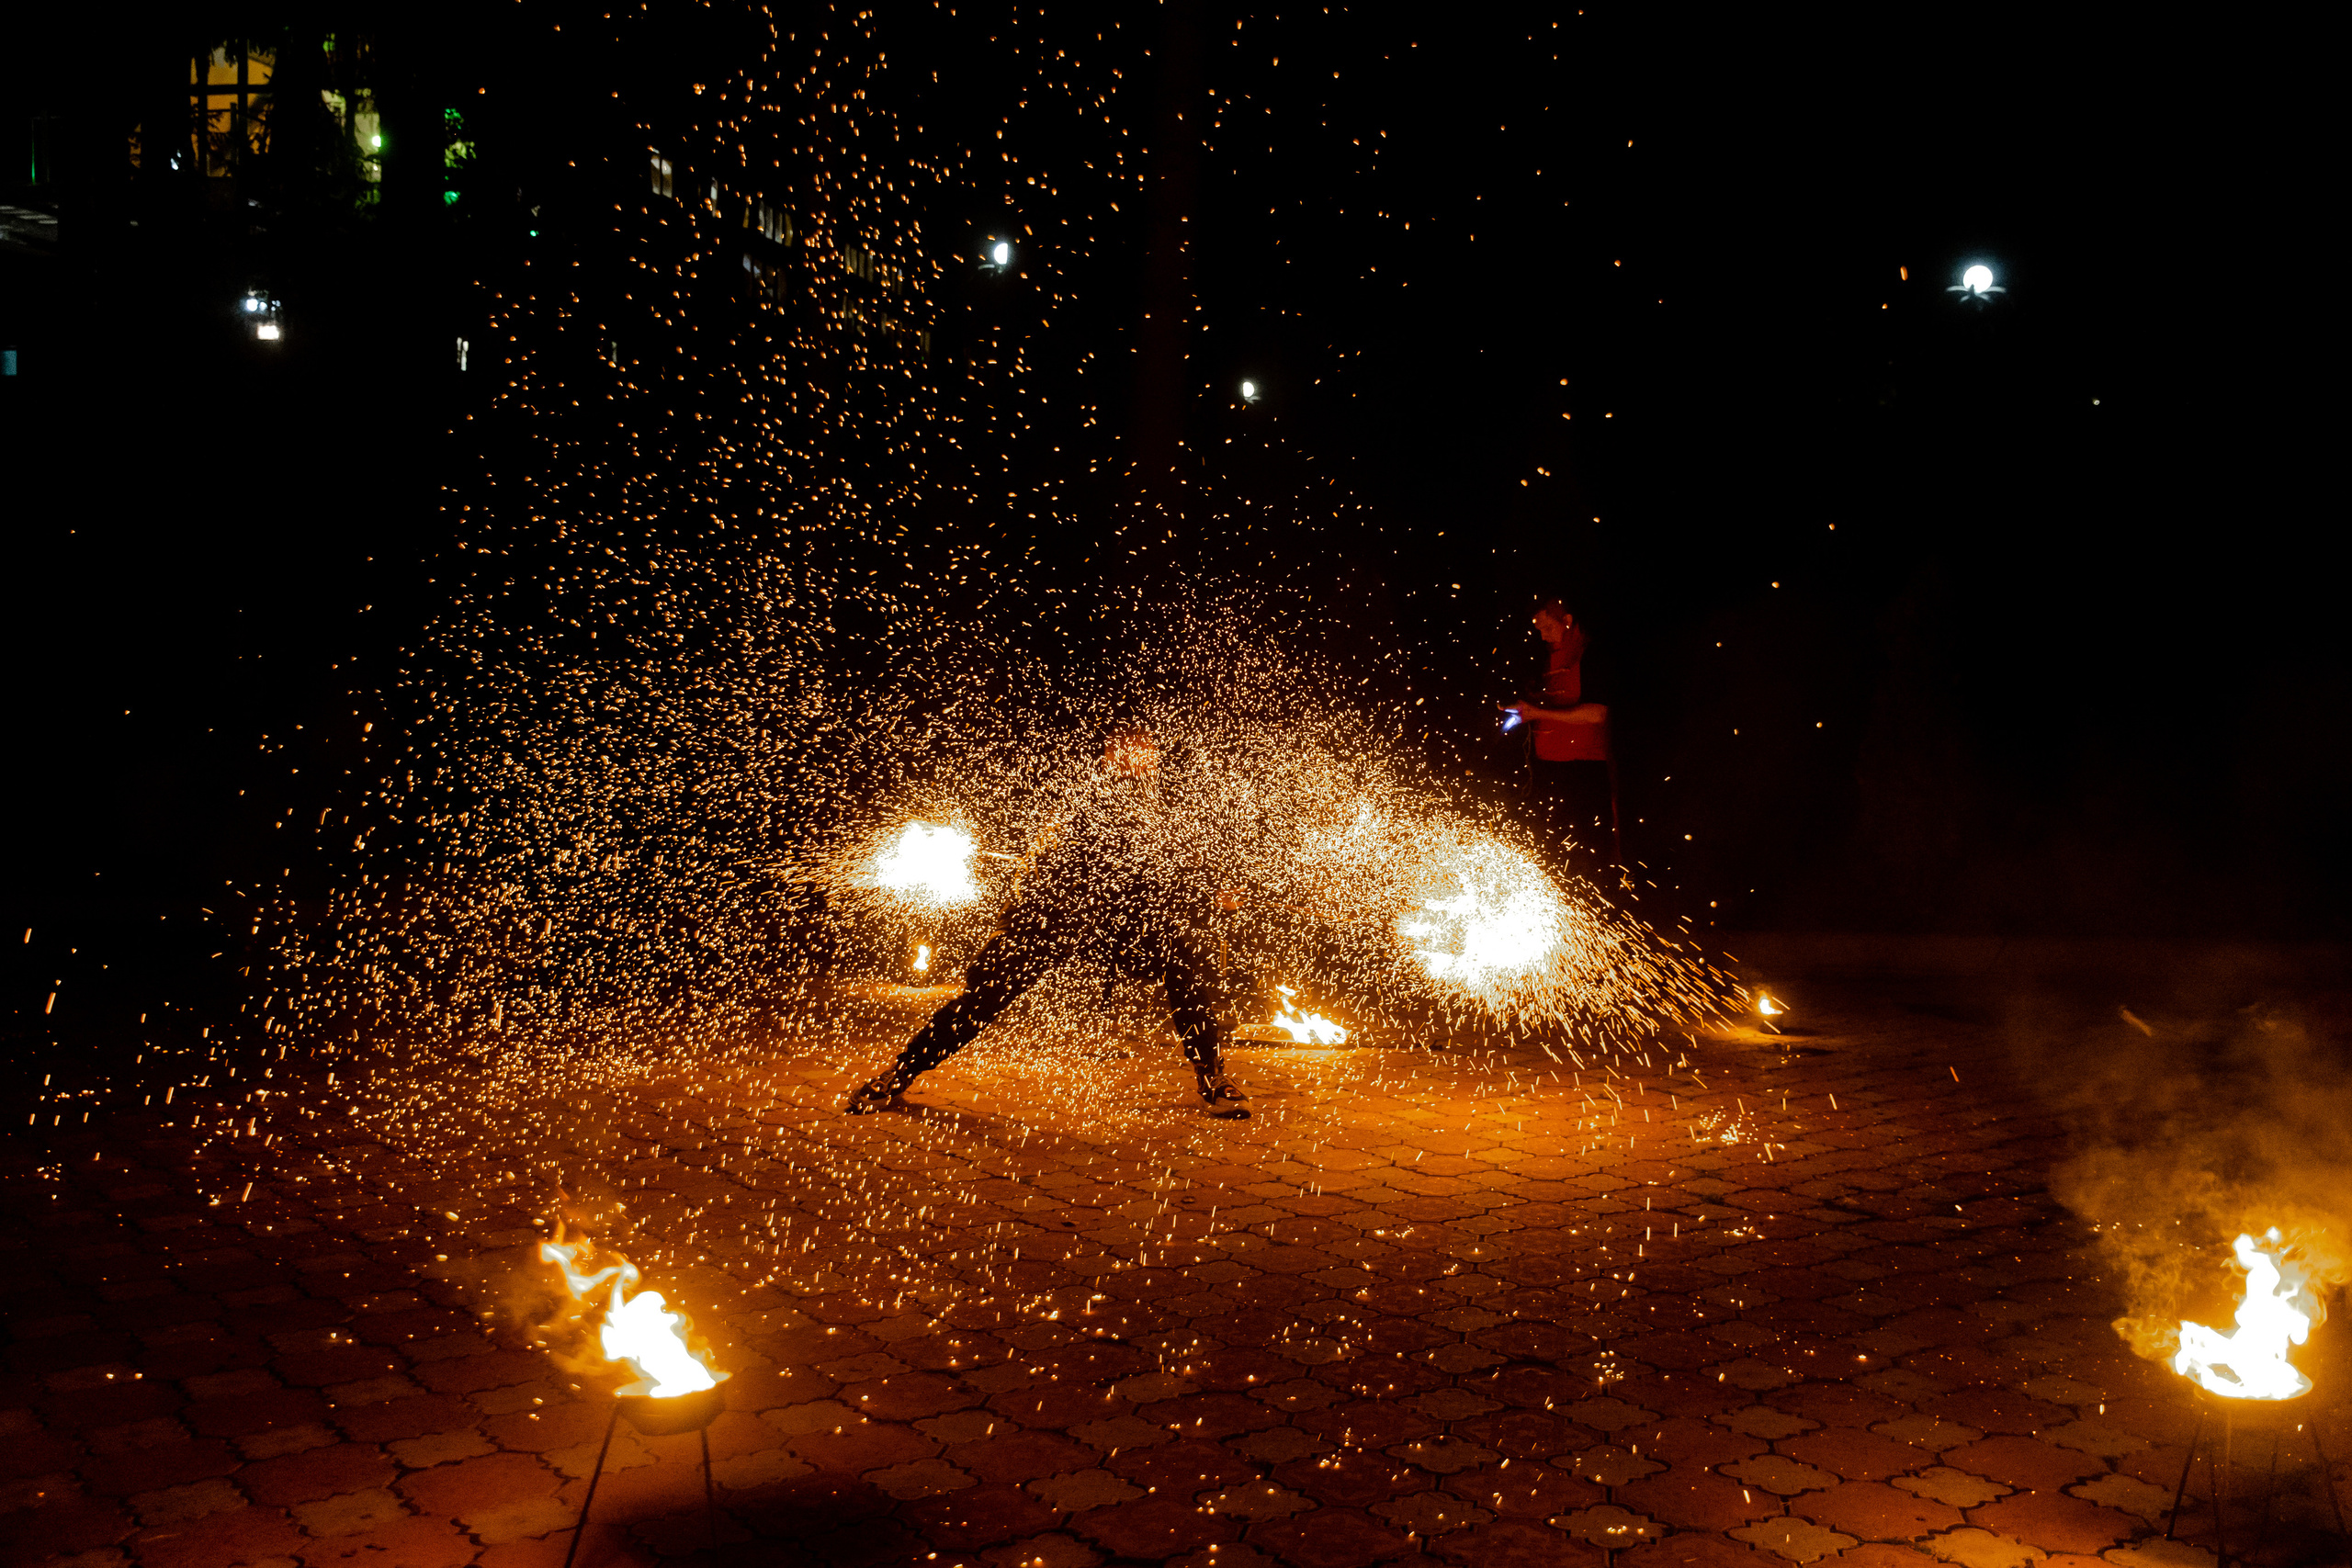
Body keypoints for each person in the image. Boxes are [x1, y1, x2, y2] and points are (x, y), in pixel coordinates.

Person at [847, 722, 1252, 1118]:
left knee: (1186, 956)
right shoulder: (1088, 802)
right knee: (983, 998)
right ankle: (899, 1073)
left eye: (1149, 749)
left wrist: (1210, 895)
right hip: (1050, 917)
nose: (1145, 757)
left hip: (1117, 925)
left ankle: (1211, 1077)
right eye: (1132, 748)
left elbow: (1167, 873)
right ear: (1111, 754)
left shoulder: (1158, 808)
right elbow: (1109, 871)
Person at [1500, 597, 1620, 863]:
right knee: (1552, 850)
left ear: (1567, 620)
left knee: (1588, 854)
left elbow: (1598, 714)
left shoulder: (1590, 654)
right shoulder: (1552, 658)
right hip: (1552, 770)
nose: (1543, 636)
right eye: (1539, 630)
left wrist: (1538, 712)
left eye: (1548, 628)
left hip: (1585, 772)